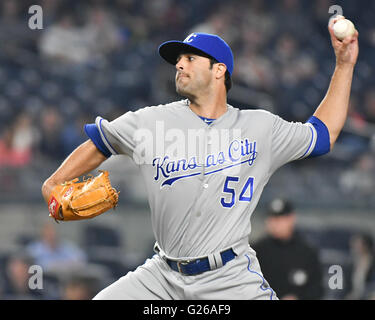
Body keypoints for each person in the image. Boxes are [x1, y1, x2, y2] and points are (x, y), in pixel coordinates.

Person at [42, 15, 359, 300]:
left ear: (219, 70)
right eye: (178, 59)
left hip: (230, 277)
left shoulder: (260, 127)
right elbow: (100, 142)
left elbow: (323, 134)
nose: (179, 65)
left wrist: (344, 66)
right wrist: (54, 183)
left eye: (190, 59)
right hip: (162, 277)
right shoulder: (152, 121)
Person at [252, 198, 324, 300]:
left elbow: (317, 289)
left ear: (291, 218)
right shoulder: (256, 251)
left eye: (280, 218)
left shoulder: (307, 252)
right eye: (272, 219)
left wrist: (298, 297)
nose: (275, 224)